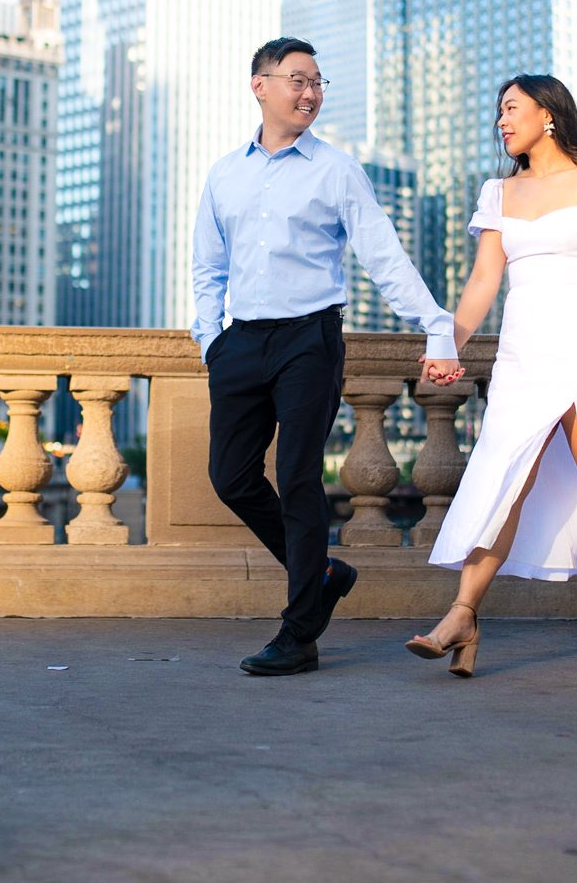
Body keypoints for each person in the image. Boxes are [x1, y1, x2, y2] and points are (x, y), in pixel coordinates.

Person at [192, 37, 461, 676]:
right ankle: (325, 572)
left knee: (300, 478)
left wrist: (436, 325)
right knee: (229, 477)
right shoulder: (225, 172)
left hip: (309, 340)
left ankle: (299, 633)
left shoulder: (337, 170)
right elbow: (209, 264)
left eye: (318, 82)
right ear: (259, 85)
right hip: (241, 342)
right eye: (297, 80)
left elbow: (383, 256)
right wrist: (211, 341)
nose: (309, 92)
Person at [406, 74, 577, 676]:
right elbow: (484, 281)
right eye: (499, 111)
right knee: (501, 474)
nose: (501, 120)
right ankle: (463, 614)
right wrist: (447, 342)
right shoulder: (498, 192)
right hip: (524, 353)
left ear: (549, 114)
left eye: (511, 108)